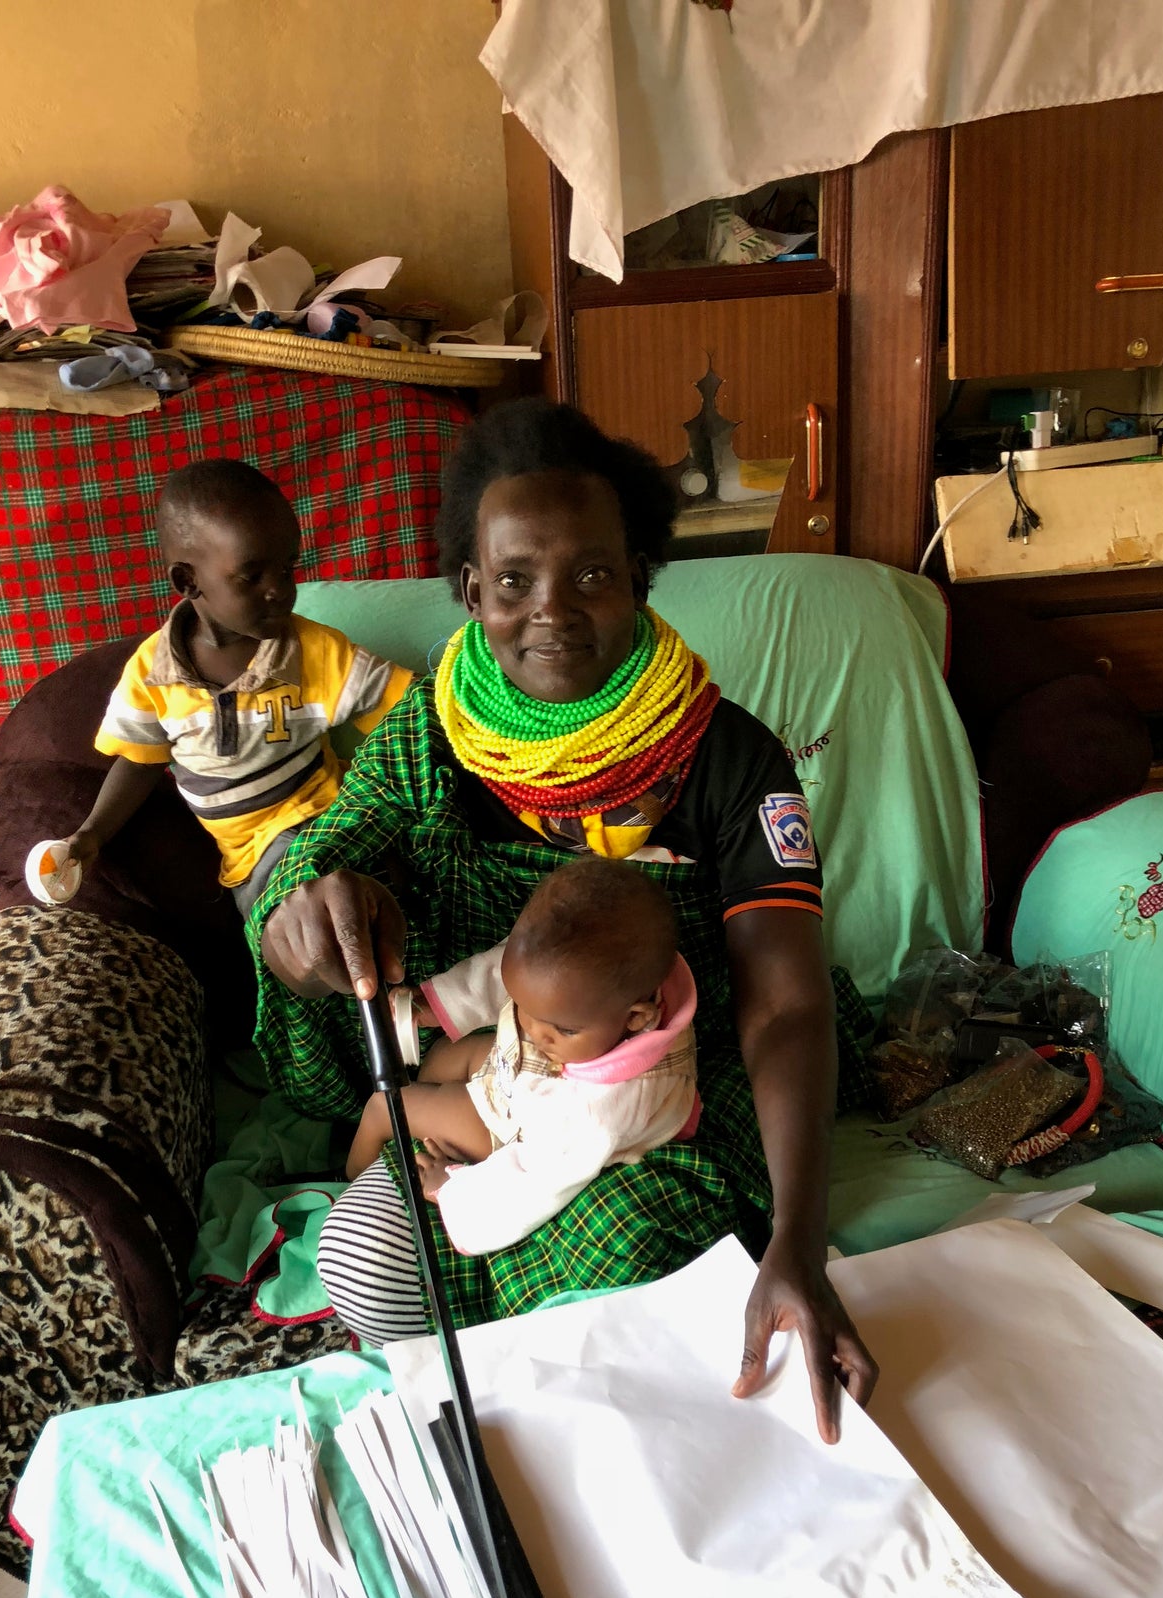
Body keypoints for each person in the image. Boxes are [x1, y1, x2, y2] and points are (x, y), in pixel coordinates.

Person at [250, 399, 878, 1442]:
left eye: (590, 574)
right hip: (496, 1072)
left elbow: (780, 1004)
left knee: (633, 1252)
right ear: (468, 591)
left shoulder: (729, 759)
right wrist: (306, 913)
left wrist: (797, 1248)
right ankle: (470, 1437)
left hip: (662, 1087)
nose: (550, 609)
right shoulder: (430, 732)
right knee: (365, 1260)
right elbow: (317, 862)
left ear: (638, 576)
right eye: (512, 581)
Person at [65, 459, 411, 915]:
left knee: (402, 870)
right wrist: (91, 833)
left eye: (287, 569)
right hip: (258, 862)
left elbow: (410, 709)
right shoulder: (152, 674)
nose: (280, 591)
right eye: (252, 577)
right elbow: (139, 764)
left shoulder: (312, 651)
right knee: (303, 921)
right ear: (188, 581)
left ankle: (416, 970)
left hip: (335, 816)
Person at [339, 859, 700, 1276]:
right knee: (440, 1056)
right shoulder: (594, 991)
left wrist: (453, 1189)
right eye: (523, 1005)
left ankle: (345, 1183)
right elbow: (501, 973)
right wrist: (433, 1006)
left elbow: (534, 1186)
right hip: (529, 1075)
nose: (530, 1026)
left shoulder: (595, 1116)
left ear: (636, 1019)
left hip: (527, 1128)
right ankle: (436, 1118)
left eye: (561, 1027)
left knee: (385, 1108)